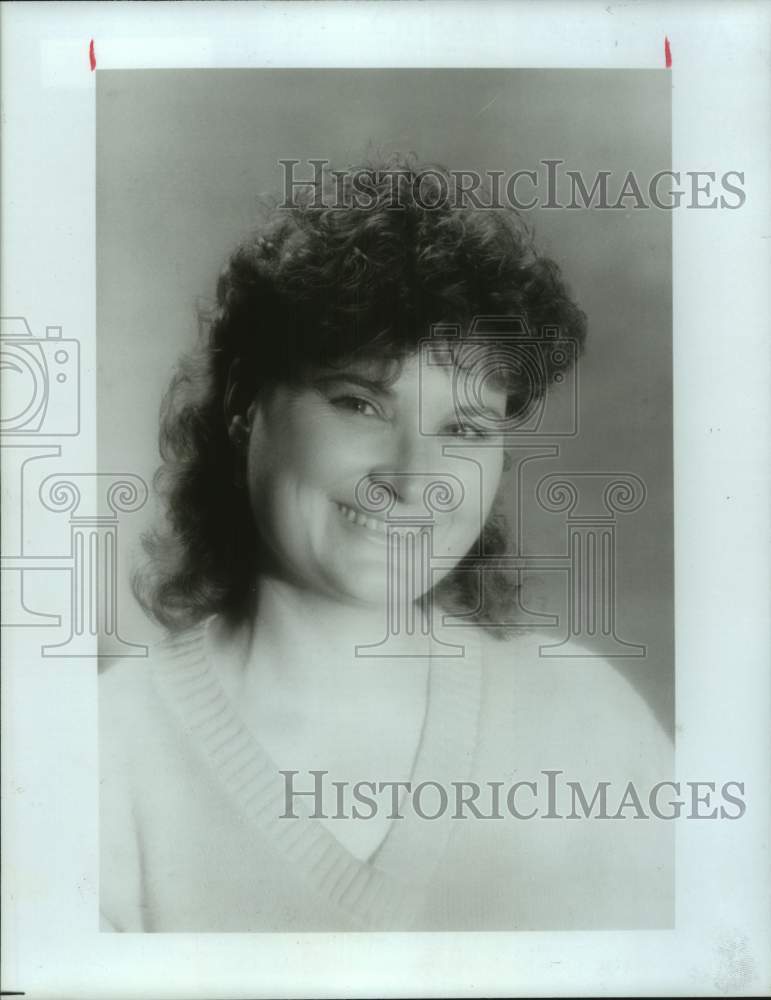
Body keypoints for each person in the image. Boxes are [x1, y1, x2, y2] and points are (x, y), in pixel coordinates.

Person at [100, 155, 673, 932]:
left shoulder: (588, 723)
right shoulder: (103, 749)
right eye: (358, 403)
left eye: (464, 428)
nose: (414, 474)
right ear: (242, 403)